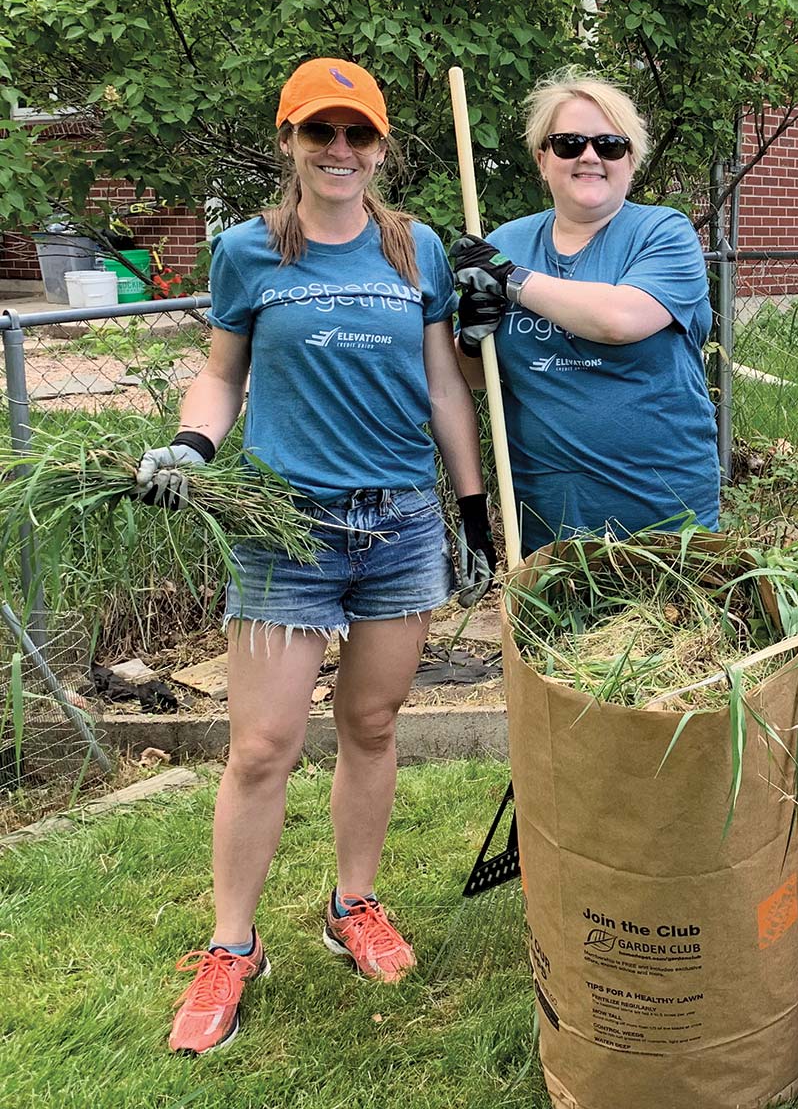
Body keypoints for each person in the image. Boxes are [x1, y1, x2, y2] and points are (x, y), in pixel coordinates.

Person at [138, 58, 495, 1055]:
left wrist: (470, 511)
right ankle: (230, 946)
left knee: (373, 725)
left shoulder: (413, 247)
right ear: (290, 141)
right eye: (319, 133)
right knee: (260, 749)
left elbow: (443, 387)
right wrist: (190, 446)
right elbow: (220, 378)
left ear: (381, 146)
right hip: (283, 523)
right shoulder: (248, 252)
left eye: (357, 135)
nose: (339, 152)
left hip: (397, 528)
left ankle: (353, 904)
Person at [446, 70, 718, 556]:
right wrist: (470, 334)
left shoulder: (663, 233)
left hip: (665, 515)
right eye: (568, 143)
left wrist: (514, 282)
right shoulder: (506, 244)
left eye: (609, 145)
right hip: (548, 519)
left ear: (630, 161)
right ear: (542, 159)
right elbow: (475, 376)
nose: (589, 156)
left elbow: (620, 320)